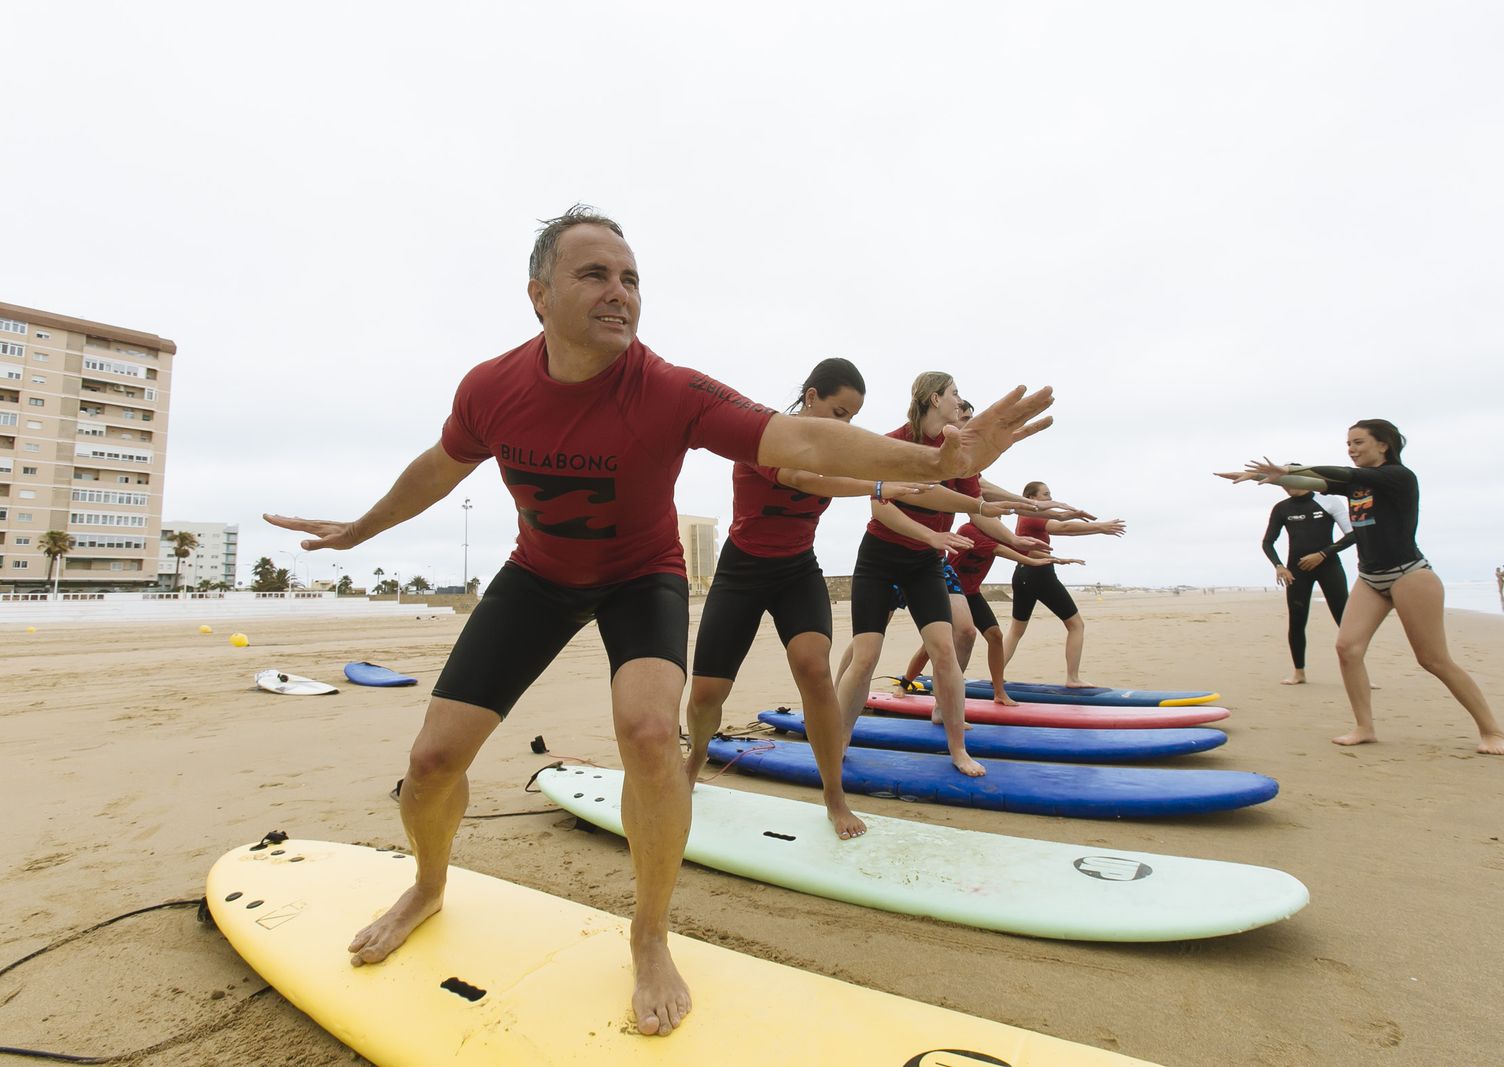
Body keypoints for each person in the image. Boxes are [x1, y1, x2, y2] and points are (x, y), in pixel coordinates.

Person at [264, 206, 1055, 1037]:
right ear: (539, 295)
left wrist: (936, 462)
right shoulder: (491, 388)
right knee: (430, 760)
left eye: (631, 278)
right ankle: (428, 884)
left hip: (642, 577)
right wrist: (362, 527)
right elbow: (439, 465)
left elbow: (801, 439)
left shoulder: (669, 388)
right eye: (595, 275)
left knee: (649, 735)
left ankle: (648, 931)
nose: (619, 293)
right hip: (536, 576)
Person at [682, 357, 928, 840]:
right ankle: (694, 757)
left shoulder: (842, 448)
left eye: (853, 419)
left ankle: (834, 795)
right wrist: (877, 485)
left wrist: (980, 500)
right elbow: (801, 478)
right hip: (742, 572)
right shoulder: (763, 435)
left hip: (797, 570)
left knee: (814, 668)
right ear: (811, 397)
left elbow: (910, 471)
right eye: (839, 413)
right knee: (708, 694)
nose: (847, 427)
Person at [1217, 418, 1504, 755]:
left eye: (1358, 442)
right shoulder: (1356, 487)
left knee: (1433, 659)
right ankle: (1364, 727)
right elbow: (1311, 482)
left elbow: (1341, 473)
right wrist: (1261, 477)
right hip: (1371, 577)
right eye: (1348, 444)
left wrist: (1285, 468)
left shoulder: (1398, 477)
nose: (1351, 449)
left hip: (1410, 575)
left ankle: (1493, 732)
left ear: (1383, 445)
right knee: (1348, 649)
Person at [833, 373, 1047, 776]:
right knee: (865, 657)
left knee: (945, 651)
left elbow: (973, 507)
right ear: (935, 399)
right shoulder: (895, 443)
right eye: (955, 395)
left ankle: (957, 749)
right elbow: (881, 508)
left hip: (924, 564)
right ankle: (837, 742)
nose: (960, 402)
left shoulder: (959, 454)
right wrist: (932, 535)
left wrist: (1017, 543)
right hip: (880, 559)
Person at [898, 520, 1084, 705]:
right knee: (929, 647)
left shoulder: (997, 535)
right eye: (993, 516)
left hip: (972, 593)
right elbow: (999, 550)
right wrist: (1032, 562)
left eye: (999, 517)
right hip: (950, 592)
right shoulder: (968, 530)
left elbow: (1020, 549)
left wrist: (1054, 560)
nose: (998, 520)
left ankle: (999, 692)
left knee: (995, 635)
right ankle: (905, 683)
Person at [999, 480, 1126, 687]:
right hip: (1039, 573)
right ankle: (1072, 678)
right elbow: (1064, 527)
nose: (1050, 498)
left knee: (1016, 630)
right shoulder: (1033, 514)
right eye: (1046, 494)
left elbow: (1066, 528)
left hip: (1021, 573)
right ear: (1032, 498)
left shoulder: (1024, 516)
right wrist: (1100, 527)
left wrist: (1095, 528)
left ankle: (997, 674)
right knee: (1076, 625)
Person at [1261, 478, 1357, 684]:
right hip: (1296, 571)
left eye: (1290, 481)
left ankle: (1360, 673)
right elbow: (1268, 542)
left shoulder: (1328, 501)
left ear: (1303, 479)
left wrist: (1322, 554)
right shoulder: (1281, 508)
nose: (1287, 487)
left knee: (1345, 621)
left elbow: (1352, 534)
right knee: (1297, 621)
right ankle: (1299, 672)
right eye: (1283, 484)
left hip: (1329, 566)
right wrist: (1279, 566)